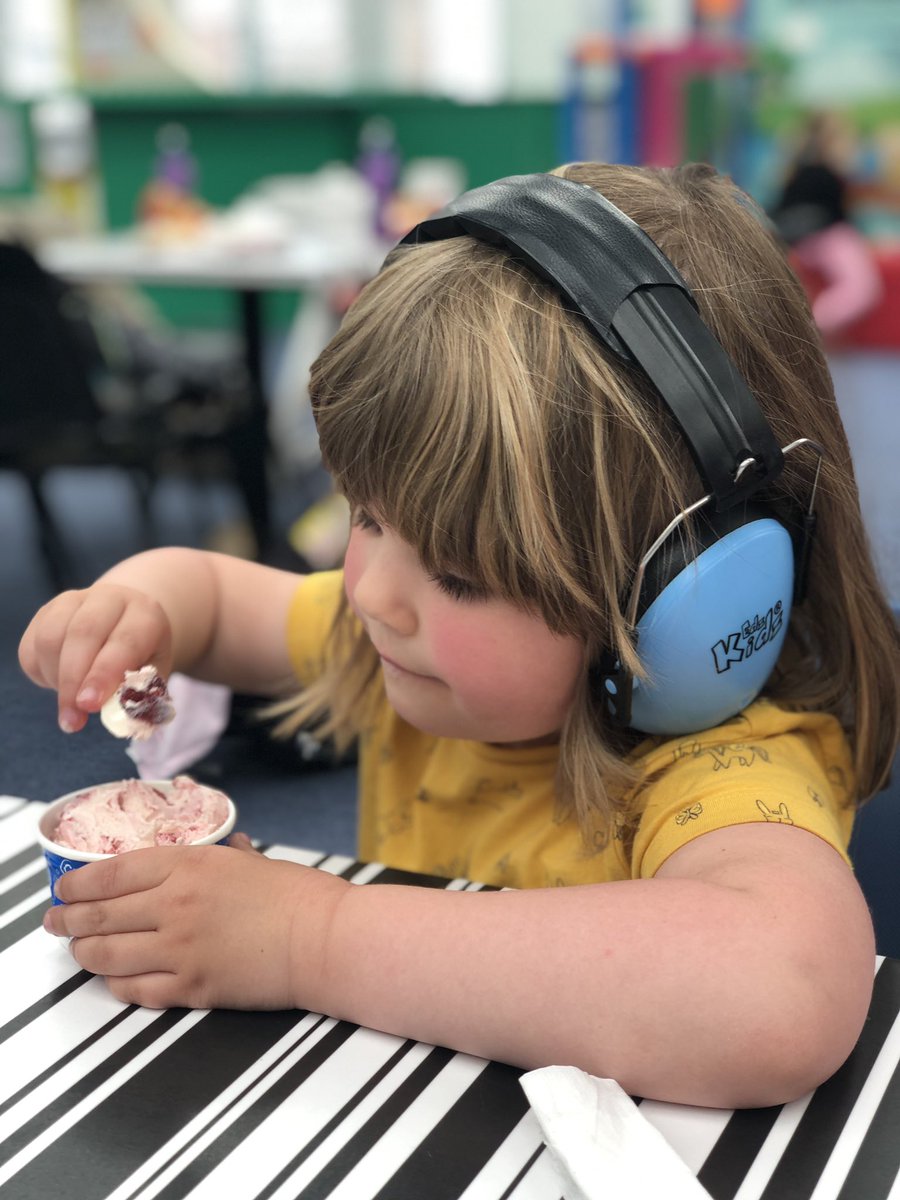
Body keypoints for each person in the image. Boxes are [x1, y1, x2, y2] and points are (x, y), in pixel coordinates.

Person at [20, 162, 900, 1111]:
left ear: (685, 601)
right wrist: (137, 605)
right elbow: (216, 600)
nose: (370, 593)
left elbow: (781, 994)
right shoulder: (409, 635)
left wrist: (311, 941)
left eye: (458, 573)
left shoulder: (722, 767)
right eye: (363, 515)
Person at [770, 110, 883, 338]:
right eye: (847, 138)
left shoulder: (799, 171)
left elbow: (780, 210)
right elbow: (837, 217)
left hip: (803, 241)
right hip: (824, 239)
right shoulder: (823, 174)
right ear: (831, 141)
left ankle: (814, 324)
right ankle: (813, 326)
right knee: (862, 287)